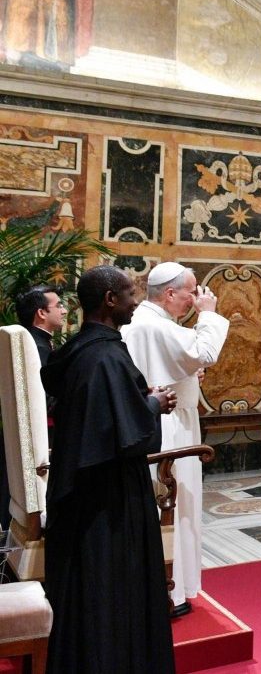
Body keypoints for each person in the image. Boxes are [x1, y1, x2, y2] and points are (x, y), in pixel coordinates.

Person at [42, 265, 178, 674]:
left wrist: (138, 398)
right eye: (130, 293)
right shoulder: (106, 356)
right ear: (109, 299)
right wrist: (153, 404)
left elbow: (100, 413)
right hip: (108, 502)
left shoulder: (80, 350)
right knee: (113, 590)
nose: (135, 301)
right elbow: (124, 435)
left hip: (79, 491)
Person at [120, 262, 228, 615]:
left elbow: (176, 364)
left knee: (171, 507)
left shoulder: (148, 322)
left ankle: (169, 586)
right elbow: (206, 352)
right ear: (169, 293)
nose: (195, 298)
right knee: (173, 507)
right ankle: (171, 590)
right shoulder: (155, 325)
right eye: (191, 292)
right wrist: (208, 314)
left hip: (164, 422)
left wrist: (190, 375)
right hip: (169, 428)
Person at [16, 283, 63, 367]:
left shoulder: (26, 340)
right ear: (41, 313)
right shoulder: (38, 349)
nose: (64, 311)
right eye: (59, 306)